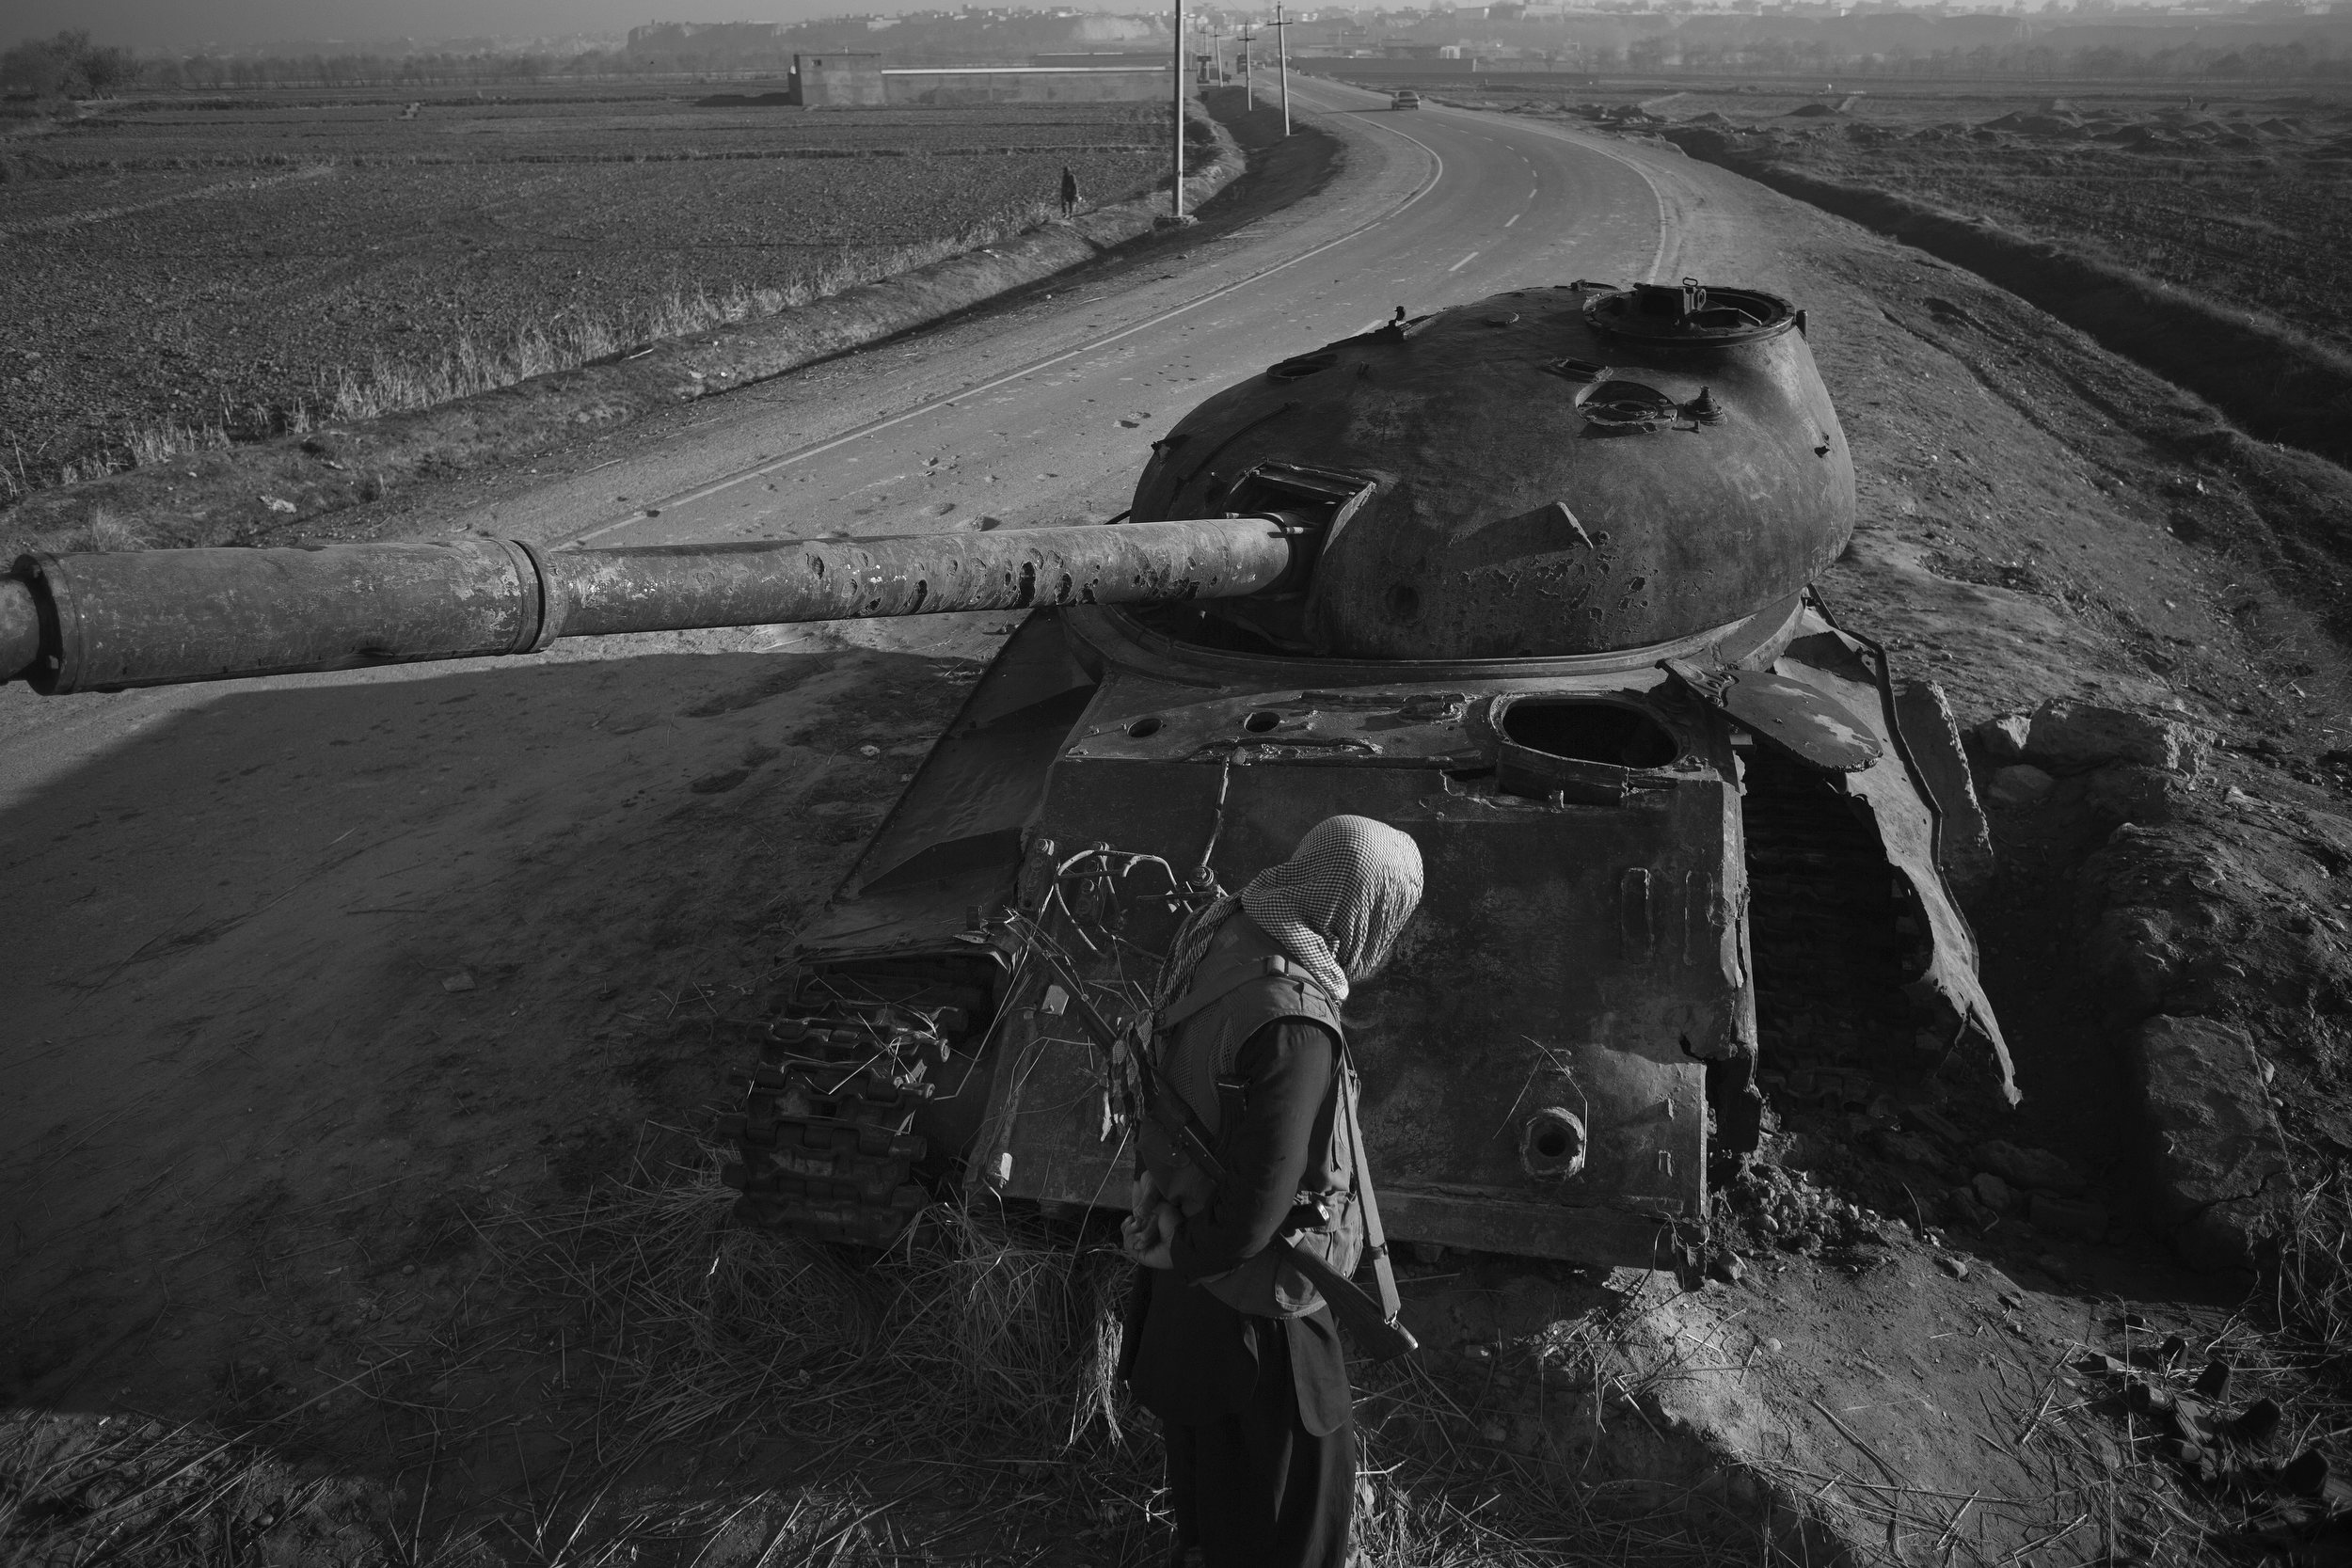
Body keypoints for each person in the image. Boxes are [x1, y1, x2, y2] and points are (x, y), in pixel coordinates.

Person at [1120, 815, 1425, 1568]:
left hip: (1189, 1290)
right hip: (1257, 1313)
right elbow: (1258, 1209)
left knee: (1207, 1482)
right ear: (1361, 907)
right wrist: (1175, 1250)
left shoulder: (1224, 930)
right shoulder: (1297, 1026)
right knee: (1296, 1512)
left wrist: (1161, 1223)